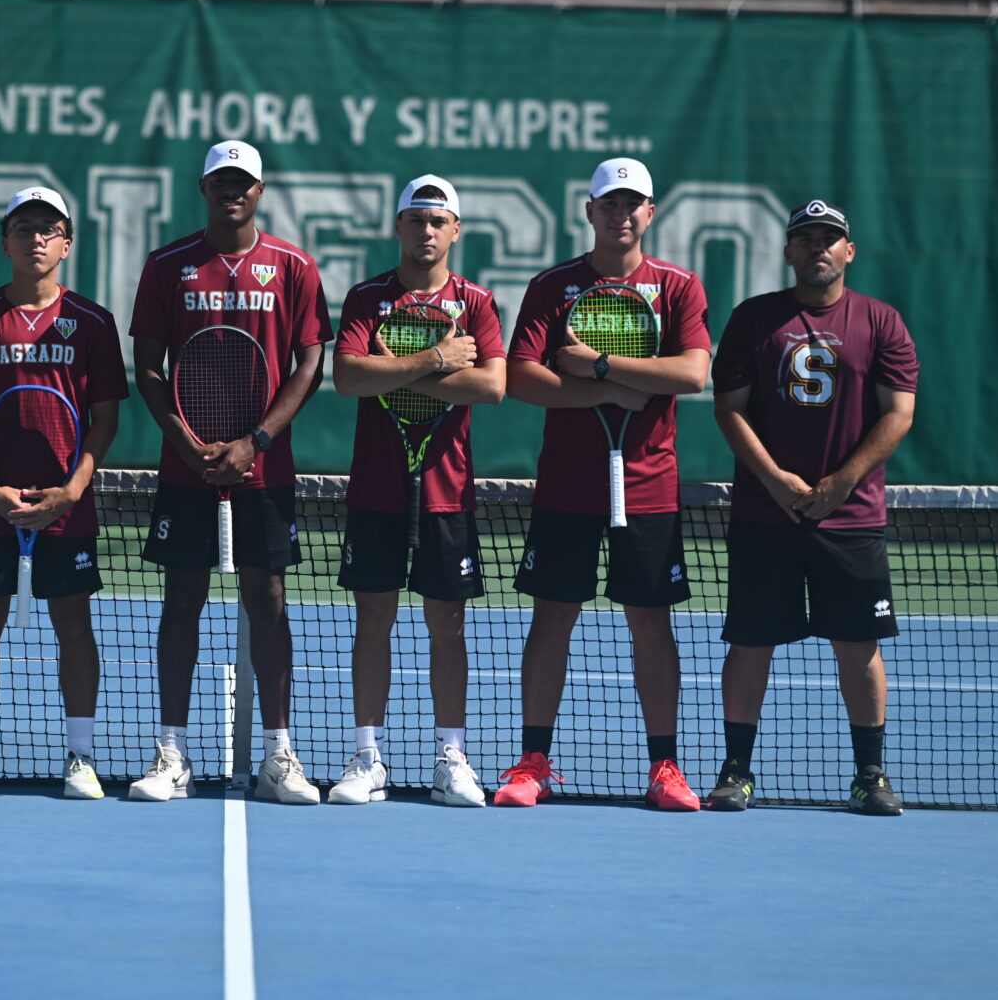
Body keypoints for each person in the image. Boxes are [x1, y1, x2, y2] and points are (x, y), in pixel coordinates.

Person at [497, 158, 711, 810]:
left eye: (632, 204)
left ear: (650, 213)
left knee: (651, 622)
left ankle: (664, 768)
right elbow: (523, 376)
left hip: (649, 485)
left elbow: (694, 372)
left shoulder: (678, 287)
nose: (620, 214)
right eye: (608, 204)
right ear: (588, 212)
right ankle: (531, 762)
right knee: (552, 617)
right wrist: (614, 386)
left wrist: (603, 365)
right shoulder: (553, 286)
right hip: (567, 485)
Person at [128, 140, 332, 804]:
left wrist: (260, 438)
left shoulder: (295, 267)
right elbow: (150, 369)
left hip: (265, 470)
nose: (231, 191)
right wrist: (185, 440)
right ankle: (172, 753)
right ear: (204, 187)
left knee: (267, 599)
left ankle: (278, 754)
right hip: (186, 466)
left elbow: (309, 364)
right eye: (221, 181)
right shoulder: (167, 266)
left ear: (260, 191)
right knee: (181, 598)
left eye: (242, 182)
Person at [708, 199, 918, 815]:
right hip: (763, 514)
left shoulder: (882, 322)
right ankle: (737, 771)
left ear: (849, 251)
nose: (818, 248)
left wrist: (841, 482)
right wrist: (774, 479)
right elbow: (730, 409)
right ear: (788, 251)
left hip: (850, 520)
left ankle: (870, 774)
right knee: (751, 643)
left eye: (830, 239)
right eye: (806, 239)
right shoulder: (754, 320)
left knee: (858, 645)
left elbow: (898, 413)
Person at [0, 186, 126, 799]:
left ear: (67, 244)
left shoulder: (93, 322)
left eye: (49, 229)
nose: (36, 238)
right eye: (24, 228)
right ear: (4, 242)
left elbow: (104, 418)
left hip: (65, 507)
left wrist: (71, 490)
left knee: (74, 624)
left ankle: (81, 757)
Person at [326, 176, 506, 806]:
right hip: (376, 488)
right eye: (415, 220)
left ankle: (451, 757)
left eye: (438, 221)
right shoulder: (365, 298)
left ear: (455, 230)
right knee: (372, 619)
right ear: (397, 228)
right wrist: (436, 360)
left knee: (446, 625)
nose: (426, 231)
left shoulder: (478, 304)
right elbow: (348, 376)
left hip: (447, 492)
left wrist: (395, 371)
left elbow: (491, 387)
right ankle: (367, 756)